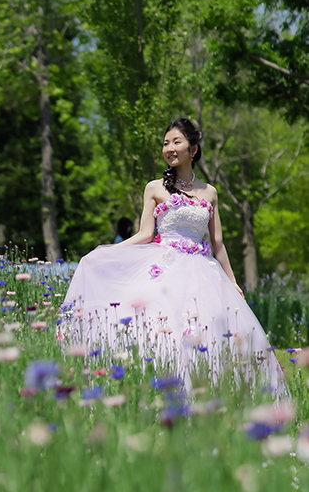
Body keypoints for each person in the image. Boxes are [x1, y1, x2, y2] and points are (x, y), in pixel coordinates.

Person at [61, 117, 283, 390]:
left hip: (205, 275)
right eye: (165, 143)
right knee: (164, 329)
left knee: (211, 332)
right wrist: (103, 253)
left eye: (176, 142)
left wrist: (233, 282)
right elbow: (144, 234)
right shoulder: (154, 188)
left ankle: (213, 392)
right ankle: (157, 388)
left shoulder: (210, 192)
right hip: (165, 267)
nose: (169, 148)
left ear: (193, 149)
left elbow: (219, 244)